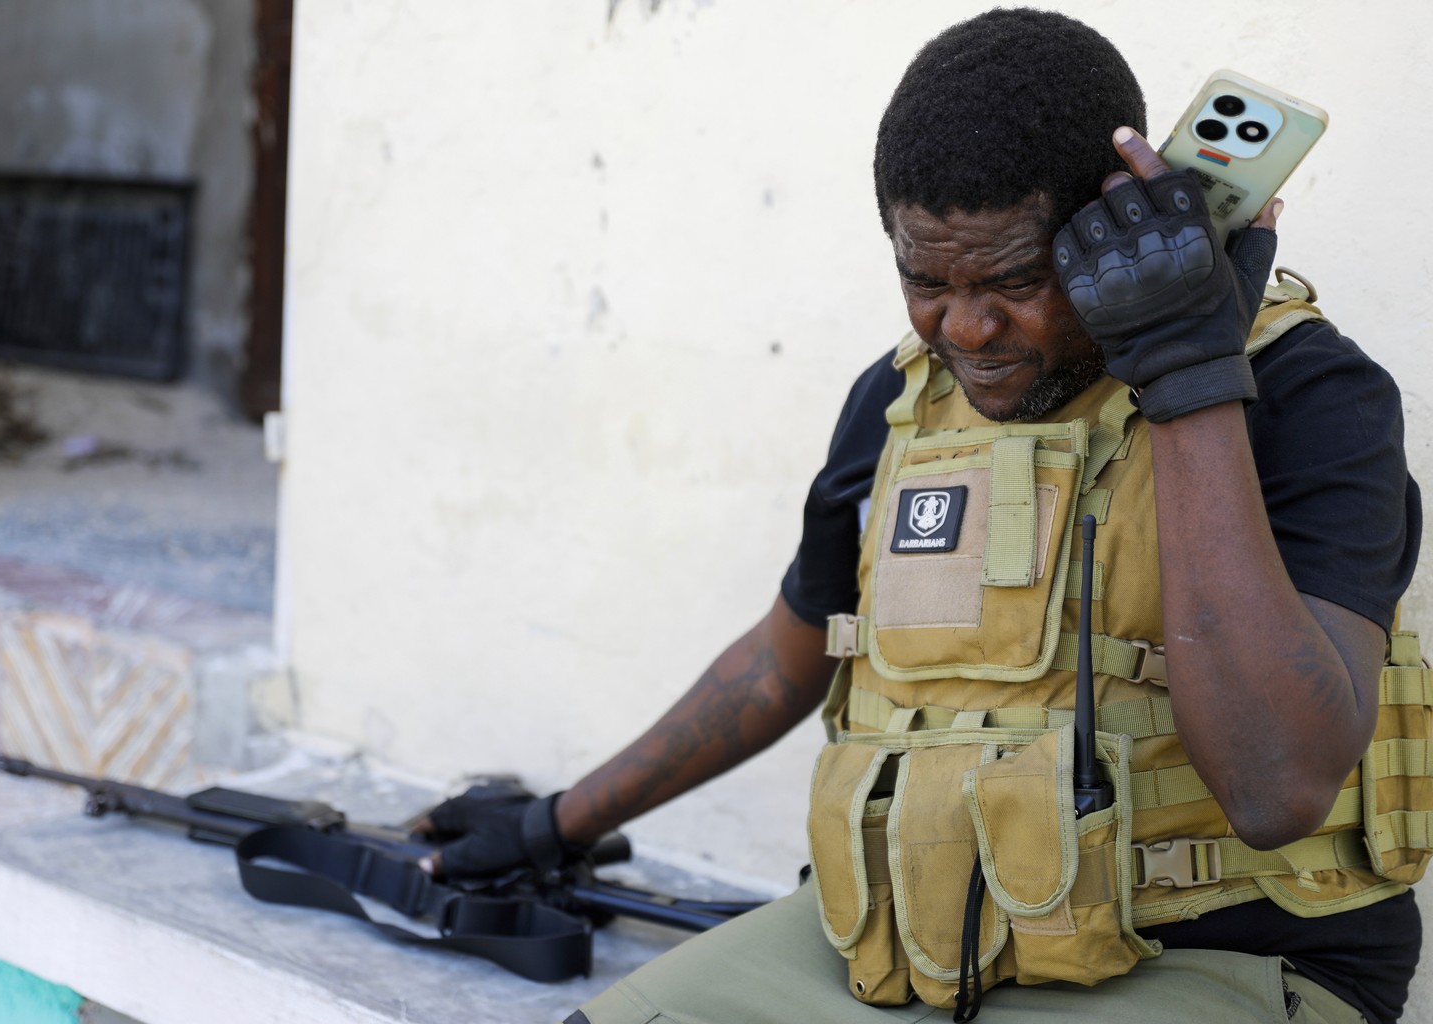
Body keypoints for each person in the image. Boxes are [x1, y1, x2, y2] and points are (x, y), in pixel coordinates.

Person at [418, 10, 1424, 1023]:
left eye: (1016, 280)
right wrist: (557, 824)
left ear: (1101, 222)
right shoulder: (901, 401)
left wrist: (1187, 375)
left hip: (1216, 959)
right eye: (926, 279)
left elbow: (1277, 786)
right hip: (910, 947)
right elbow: (783, 660)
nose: (970, 329)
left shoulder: (1304, 393)